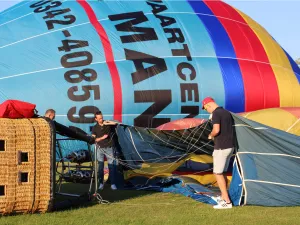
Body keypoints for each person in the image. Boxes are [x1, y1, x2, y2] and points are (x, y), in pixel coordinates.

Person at [202, 97, 235, 209]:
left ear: (208, 105)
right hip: (230, 146)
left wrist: (211, 135)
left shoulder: (216, 113)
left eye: (206, 109)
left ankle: (227, 202)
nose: (207, 111)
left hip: (221, 148)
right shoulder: (226, 112)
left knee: (217, 173)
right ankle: (223, 197)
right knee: (223, 172)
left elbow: (216, 130)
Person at [92, 111, 118, 190]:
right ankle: (101, 183)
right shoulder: (95, 128)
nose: (101, 119)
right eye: (99, 118)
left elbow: (116, 123)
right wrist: (101, 138)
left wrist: (107, 122)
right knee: (100, 167)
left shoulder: (107, 124)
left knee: (111, 166)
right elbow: (93, 139)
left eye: (102, 118)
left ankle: (112, 184)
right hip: (100, 149)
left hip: (109, 148)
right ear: (96, 119)